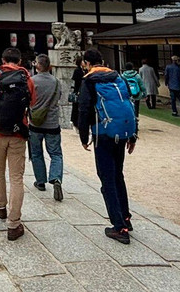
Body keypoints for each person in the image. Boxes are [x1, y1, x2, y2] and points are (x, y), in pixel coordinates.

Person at [75, 48, 137, 245]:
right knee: (118, 174)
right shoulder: (117, 77)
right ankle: (126, 216)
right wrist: (133, 134)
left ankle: (120, 227)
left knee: (107, 178)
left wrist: (83, 136)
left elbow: (84, 109)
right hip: (122, 131)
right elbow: (130, 103)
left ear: (86, 63)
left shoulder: (89, 81)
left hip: (102, 134)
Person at [0, 47, 37, 241]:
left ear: (3, 59)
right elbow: (33, 101)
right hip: (18, 132)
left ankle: (0, 205)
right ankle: (14, 224)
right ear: (19, 61)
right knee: (16, 178)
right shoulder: (26, 78)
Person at [28, 54, 64, 201]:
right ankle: (56, 178)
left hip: (35, 122)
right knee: (55, 153)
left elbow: (28, 98)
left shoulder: (31, 81)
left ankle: (40, 181)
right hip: (52, 122)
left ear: (37, 66)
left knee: (36, 153)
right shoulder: (56, 82)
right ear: (49, 66)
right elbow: (59, 97)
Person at [69, 58, 85, 123]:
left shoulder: (84, 70)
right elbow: (76, 81)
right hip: (78, 90)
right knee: (76, 106)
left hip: (82, 90)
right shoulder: (77, 70)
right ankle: (75, 121)